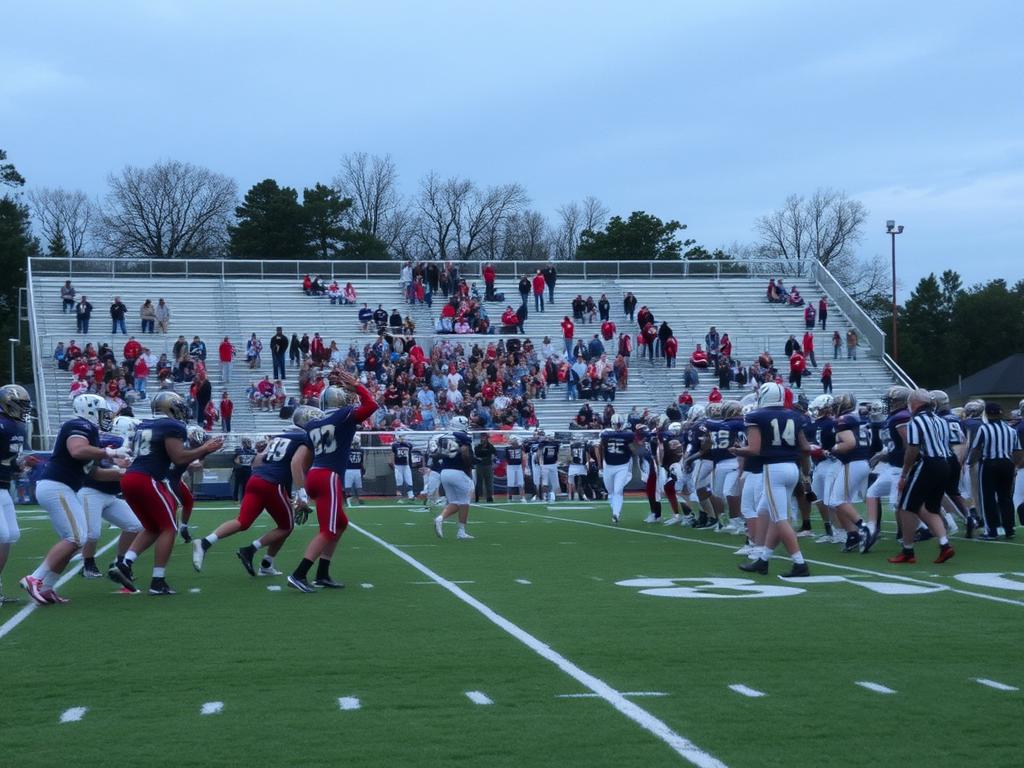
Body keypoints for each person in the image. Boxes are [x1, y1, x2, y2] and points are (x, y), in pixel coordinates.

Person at [20, 393, 129, 604]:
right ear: (89, 410)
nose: (105, 417)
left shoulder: (91, 433)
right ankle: (35, 577)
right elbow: (77, 450)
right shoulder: (78, 425)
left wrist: (123, 472)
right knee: (76, 537)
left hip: (63, 487)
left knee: (77, 539)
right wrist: (110, 452)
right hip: (56, 486)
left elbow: (93, 473)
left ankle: (47, 587)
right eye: (101, 413)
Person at [110, 392, 223, 595]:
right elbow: (179, 458)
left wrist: (203, 450)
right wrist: (205, 448)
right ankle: (157, 581)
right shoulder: (173, 426)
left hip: (130, 479)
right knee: (169, 528)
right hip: (148, 479)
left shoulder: (143, 424)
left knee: (153, 528)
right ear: (170, 407)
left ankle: (125, 563)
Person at [193, 407, 320, 577]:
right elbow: (296, 464)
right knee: (286, 526)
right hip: (272, 483)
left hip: (256, 480)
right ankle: (251, 550)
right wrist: (301, 493)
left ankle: (205, 543)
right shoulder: (305, 438)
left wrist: (285, 491)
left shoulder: (278, 436)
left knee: (242, 522)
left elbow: (257, 460)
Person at [287, 373, 377, 592]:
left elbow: (303, 455)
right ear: (339, 400)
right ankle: (299, 574)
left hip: (316, 475)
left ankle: (322, 573)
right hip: (329, 476)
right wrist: (357, 386)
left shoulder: (314, 424)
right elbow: (372, 404)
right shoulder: (344, 415)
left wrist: (301, 493)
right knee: (328, 529)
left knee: (340, 524)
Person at [732, 382, 812, 577]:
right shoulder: (795, 415)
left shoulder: (756, 416)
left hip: (773, 469)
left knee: (779, 517)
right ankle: (764, 559)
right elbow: (806, 448)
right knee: (764, 510)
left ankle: (799, 563)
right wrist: (805, 472)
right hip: (792, 468)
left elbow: (754, 449)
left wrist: (736, 450)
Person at [890, 389, 956, 564]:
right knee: (929, 508)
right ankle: (944, 545)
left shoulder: (916, 421)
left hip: (928, 464)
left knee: (905, 505)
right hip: (945, 464)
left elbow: (913, 449)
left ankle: (907, 550)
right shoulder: (941, 420)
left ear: (915, 403)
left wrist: (904, 473)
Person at [969, 402, 1023, 539]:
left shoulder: (984, 429)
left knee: (988, 498)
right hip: (1007, 463)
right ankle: (1009, 528)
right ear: (1001, 413)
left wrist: (971, 461)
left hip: (990, 464)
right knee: (1006, 497)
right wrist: (1014, 465)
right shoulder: (1011, 430)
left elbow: (976, 449)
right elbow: (1018, 451)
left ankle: (991, 530)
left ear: (986, 413)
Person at [0, 386, 31, 602]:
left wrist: (17, 466)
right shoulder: (3, 425)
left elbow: (9, 459)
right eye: (21, 404)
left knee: (11, 534)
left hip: (3, 486)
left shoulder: (17, 426)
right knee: (2, 535)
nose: (24, 409)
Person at [433, 416, 476, 540]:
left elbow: (437, 454)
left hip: (444, 472)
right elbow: (466, 455)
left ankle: (442, 519)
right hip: (458, 471)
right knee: (464, 501)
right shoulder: (465, 437)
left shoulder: (443, 437)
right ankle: (459, 530)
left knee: (454, 501)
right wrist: (472, 463)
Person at [598, 413, 635, 524]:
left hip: (622, 466)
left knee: (618, 490)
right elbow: (601, 444)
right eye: (616, 424)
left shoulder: (627, 435)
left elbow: (632, 445)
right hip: (608, 466)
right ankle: (615, 510)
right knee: (610, 492)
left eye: (619, 424)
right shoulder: (606, 433)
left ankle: (616, 514)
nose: (618, 426)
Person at [391, 433, 415, 501]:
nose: (402, 438)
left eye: (403, 437)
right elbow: (392, 454)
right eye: (401, 437)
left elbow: (409, 454)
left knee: (409, 480)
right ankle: (399, 496)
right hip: (398, 465)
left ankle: (411, 495)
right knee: (399, 480)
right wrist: (393, 464)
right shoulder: (395, 445)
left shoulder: (409, 445)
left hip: (406, 465)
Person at [474, 432, 496, 503]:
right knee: (479, 481)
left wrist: (490, 458)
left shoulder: (491, 446)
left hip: (488, 465)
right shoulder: (478, 446)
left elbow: (494, 454)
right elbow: (477, 454)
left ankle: (489, 497)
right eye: (482, 437)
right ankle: (477, 497)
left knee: (489, 481)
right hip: (480, 465)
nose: (483, 439)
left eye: (484, 437)